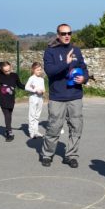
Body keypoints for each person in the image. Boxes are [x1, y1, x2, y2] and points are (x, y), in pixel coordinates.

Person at [41, 23, 88, 168]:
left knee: (76, 127)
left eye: (69, 33)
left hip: (75, 95)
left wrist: (84, 78)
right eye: (63, 33)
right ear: (58, 35)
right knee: (54, 127)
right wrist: (65, 63)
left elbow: (84, 69)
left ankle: (71, 155)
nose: (67, 36)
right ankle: (47, 154)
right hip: (57, 97)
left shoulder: (77, 50)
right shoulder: (50, 51)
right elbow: (50, 71)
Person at [0, 61, 25, 142]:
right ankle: (9, 132)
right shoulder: (0, 74)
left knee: (9, 115)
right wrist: (3, 65)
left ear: (11, 67)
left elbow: (20, 85)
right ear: (2, 70)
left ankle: (8, 128)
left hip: (11, 99)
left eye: (9, 70)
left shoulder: (14, 75)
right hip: (2, 99)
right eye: (5, 71)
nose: (7, 72)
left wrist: (30, 88)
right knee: (7, 115)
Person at [25, 62, 46, 139]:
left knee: (37, 116)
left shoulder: (41, 79)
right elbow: (26, 87)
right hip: (33, 98)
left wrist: (43, 91)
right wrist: (35, 90)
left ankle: (36, 131)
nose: (39, 71)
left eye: (40, 70)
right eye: (37, 70)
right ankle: (31, 132)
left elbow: (43, 89)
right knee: (32, 115)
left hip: (40, 98)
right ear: (33, 70)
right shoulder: (31, 78)